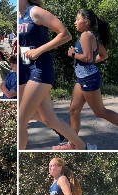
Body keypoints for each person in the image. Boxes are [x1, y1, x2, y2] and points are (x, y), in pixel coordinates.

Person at [19, 0, 96, 150]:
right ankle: (84, 147)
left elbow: (65, 34)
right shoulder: (18, 16)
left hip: (40, 68)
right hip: (25, 68)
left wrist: (38, 50)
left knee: (21, 121)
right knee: (49, 119)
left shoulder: (34, 12)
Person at [53, 9, 118, 150]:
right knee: (74, 111)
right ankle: (73, 144)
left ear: (86, 22)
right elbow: (103, 55)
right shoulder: (91, 35)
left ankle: (72, 143)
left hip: (88, 79)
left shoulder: (86, 36)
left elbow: (88, 58)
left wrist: (73, 54)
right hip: (82, 78)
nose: (75, 22)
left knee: (101, 112)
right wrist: (91, 62)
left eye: (77, 19)